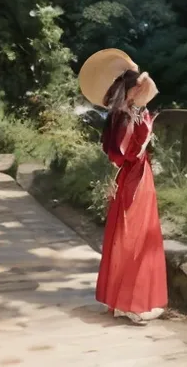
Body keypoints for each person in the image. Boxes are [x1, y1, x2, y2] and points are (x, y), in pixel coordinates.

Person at [79, 50, 168, 325]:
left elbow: (121, 153)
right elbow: (127, 153)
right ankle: (133, 303)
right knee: (136, 236)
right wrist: (146, 130)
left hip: (131, 177)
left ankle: (122, 301)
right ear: (129, 90)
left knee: (128, 233)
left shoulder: (123, 114)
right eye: (137, 89)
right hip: (134, 178)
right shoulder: (127, 116)